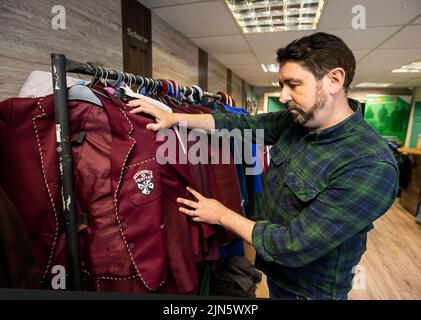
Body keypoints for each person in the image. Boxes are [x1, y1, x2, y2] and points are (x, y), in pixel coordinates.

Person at [127, 32, 399, 300]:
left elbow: (293, 245)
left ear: (334, 80)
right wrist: (174, 117)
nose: (283, 96)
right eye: (282, 84)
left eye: (293, 84)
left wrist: (221, 214)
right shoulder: (297, 121)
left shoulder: (370, 165)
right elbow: (242, 125)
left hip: (310, 292)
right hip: (277, 276)